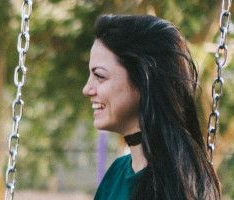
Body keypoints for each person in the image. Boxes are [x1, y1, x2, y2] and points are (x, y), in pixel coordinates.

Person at [83, 14, 223, 200]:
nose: (87, 89)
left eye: (99, 76)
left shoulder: (178, 186)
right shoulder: (117, 173)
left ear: (143, 81)